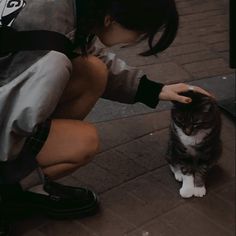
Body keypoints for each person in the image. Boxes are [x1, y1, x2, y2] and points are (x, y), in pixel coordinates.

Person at [0, 0, 212, 231]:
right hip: (6, 116)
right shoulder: (49, 56)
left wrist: (154, 90)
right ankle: (11, 193)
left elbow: (86, 50)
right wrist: (27, 177)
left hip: (10, 89)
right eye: (139, 33)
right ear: (111, 19)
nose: (134, 41)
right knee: (81, 142)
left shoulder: (68, 10)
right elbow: (7, 122)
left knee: (93, 71)